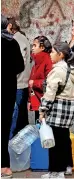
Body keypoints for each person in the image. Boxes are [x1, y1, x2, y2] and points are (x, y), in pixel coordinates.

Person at [39, 42, 74, 178]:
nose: (50, 54)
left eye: (52, 52)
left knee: (54, 141)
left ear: (60, 54)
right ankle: (67, 167)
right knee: (64, 138)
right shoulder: (73, 69)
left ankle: (56, 172)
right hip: (70, 107)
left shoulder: (58, 70)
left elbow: (50, 92)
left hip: (58, 107)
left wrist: (43, 110)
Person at [1, 14, 25, 178]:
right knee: (4, 126)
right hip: (8, 89)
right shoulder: (12, 42)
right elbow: (20, 66)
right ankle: (4, 166)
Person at [6, 17, 32, 139]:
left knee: (14, 119)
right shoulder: (20, 38)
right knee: (20, 119)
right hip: (20, 84)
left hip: (18, 84)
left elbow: (17, 64)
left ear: (10, 26)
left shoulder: (16, 39)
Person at [28, 36, 53, 123]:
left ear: (42, 47)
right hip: (37, 100)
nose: (32, 48)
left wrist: (34, 83)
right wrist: (30, 101)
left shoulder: (47, 60)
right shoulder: (37, 60)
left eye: (35, 46)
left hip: (45, 103)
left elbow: (50, 83)